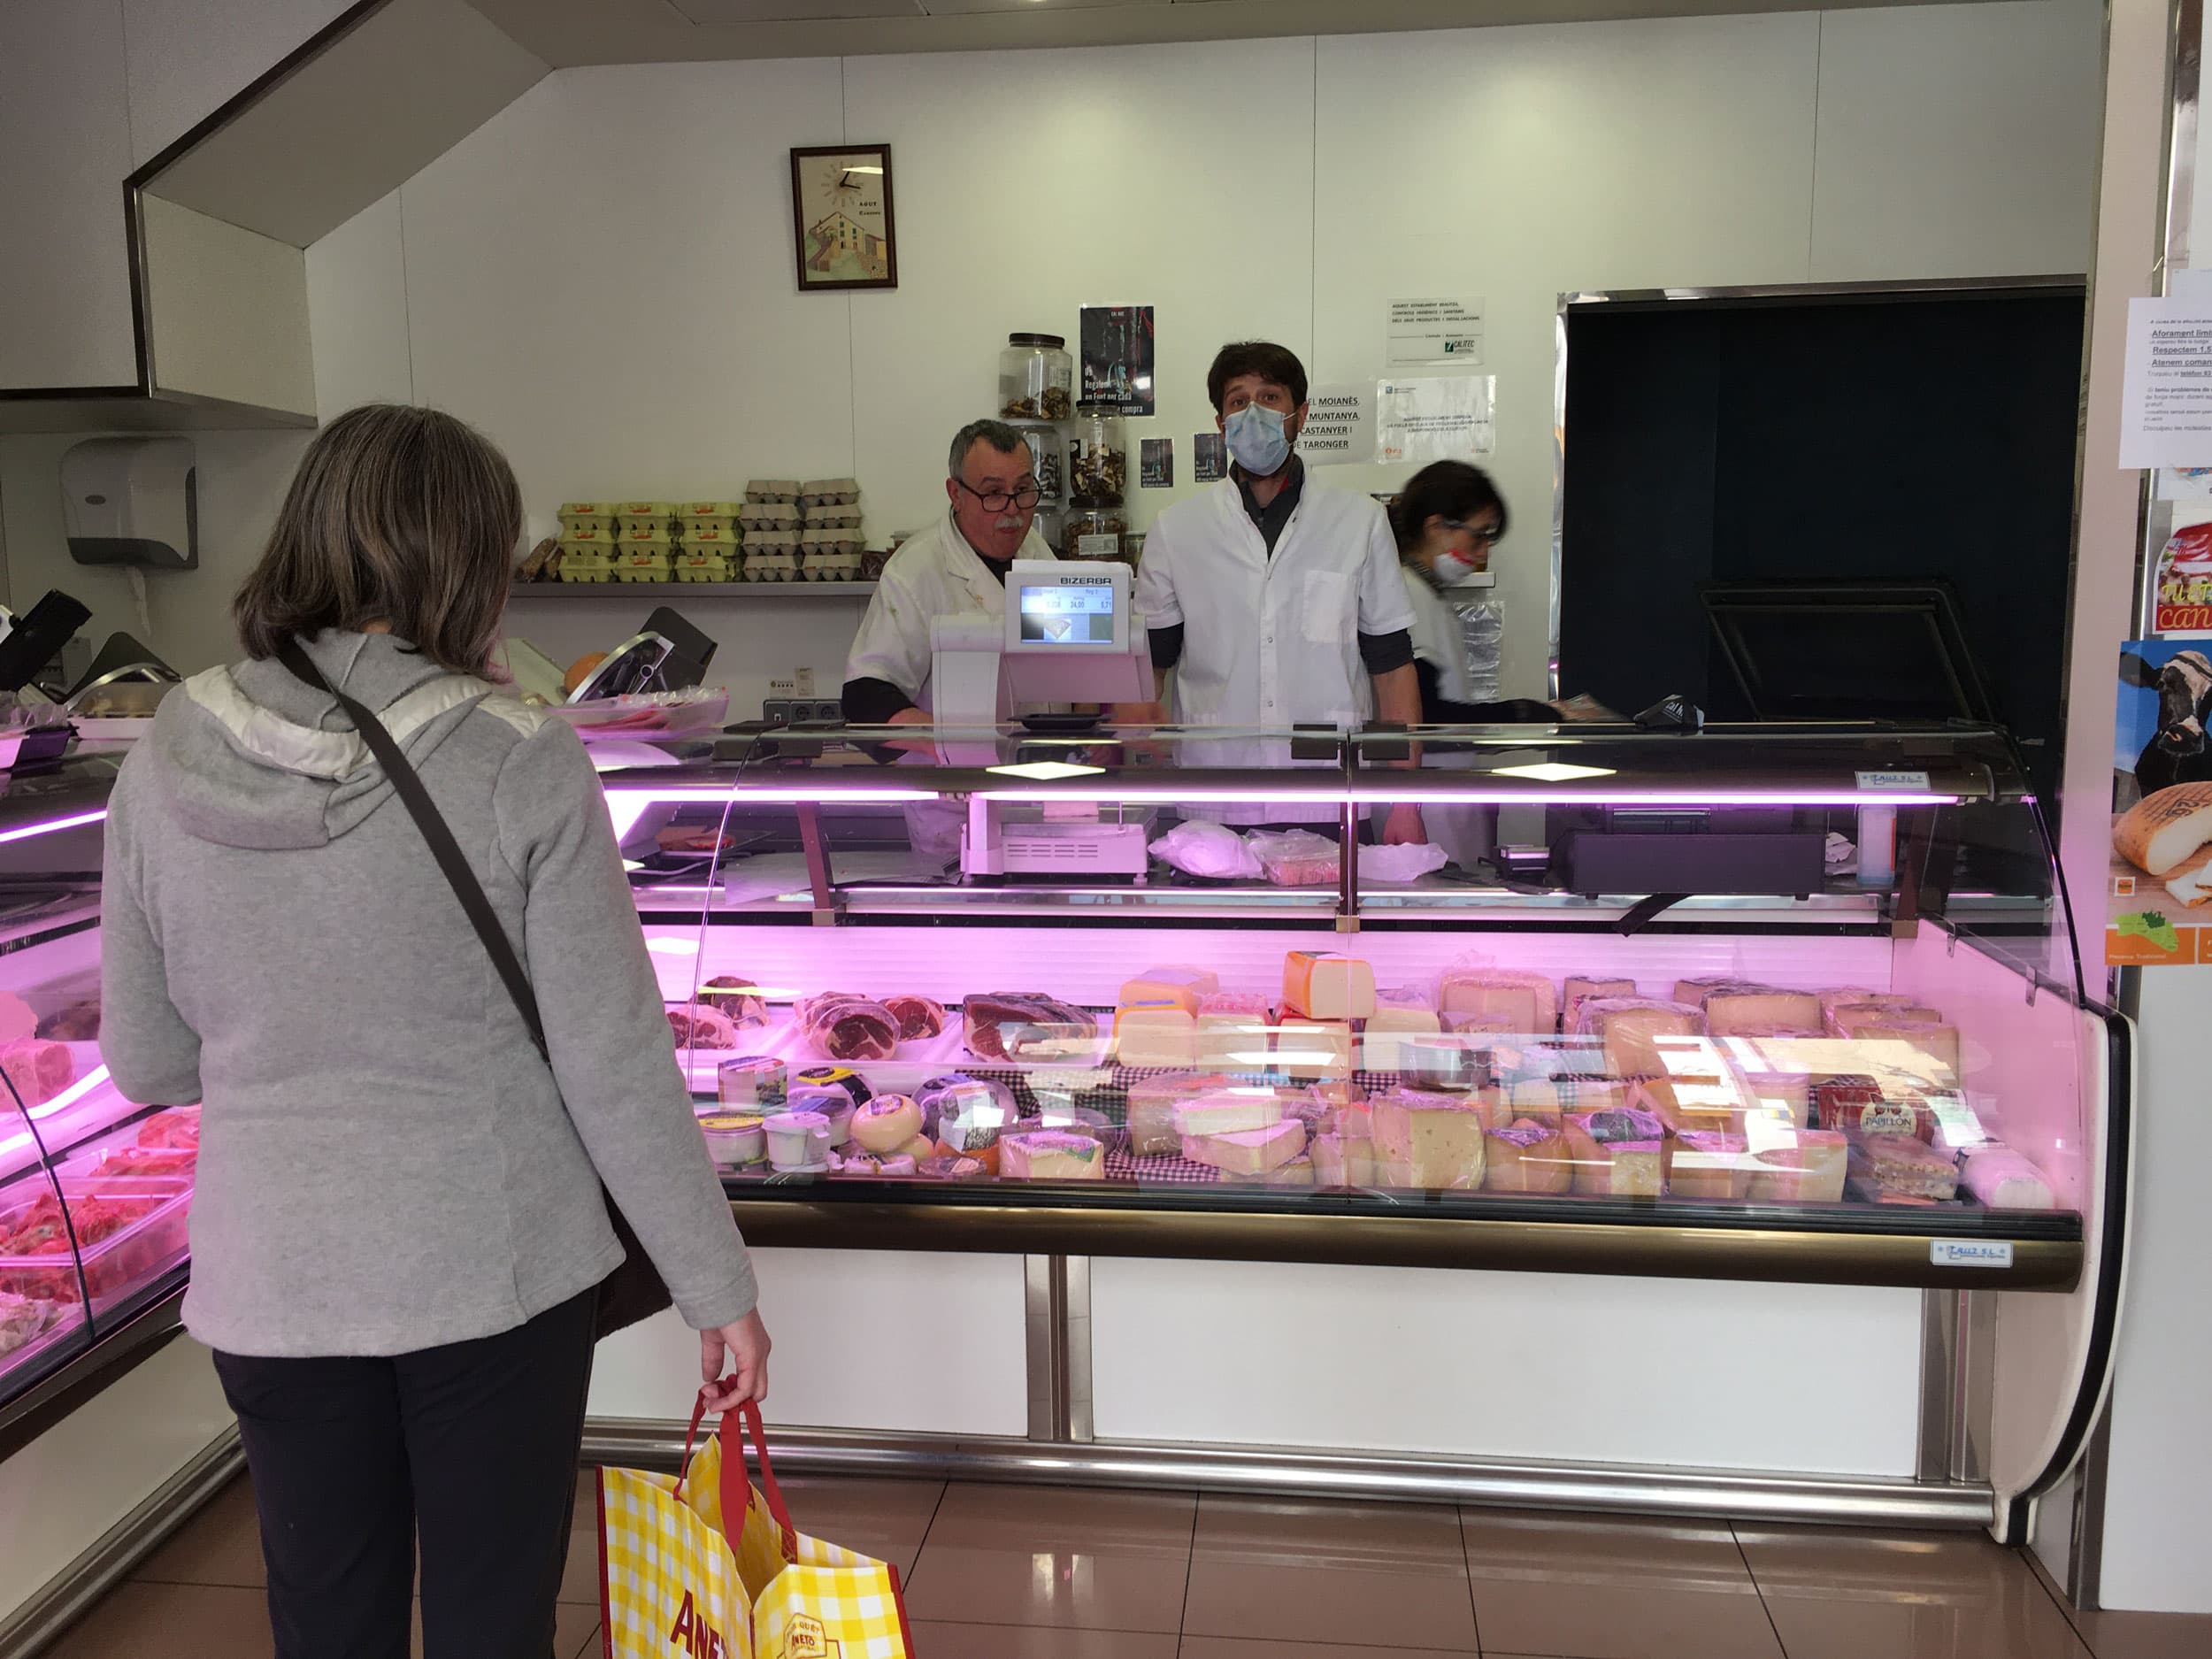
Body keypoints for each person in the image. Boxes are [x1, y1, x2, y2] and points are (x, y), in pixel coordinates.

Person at [99, 404, 769, 1659]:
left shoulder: (162, 752)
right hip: (490, 1272)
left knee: (326, 1614)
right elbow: (612, 1062)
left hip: (272, 1274)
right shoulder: (518, 754)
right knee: (489, 1615)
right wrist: (716, 1288)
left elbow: (147, 1060)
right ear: (466, 563)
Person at [1126, 341, 1424, 840]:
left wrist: (1406, 803)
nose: (1253, 413)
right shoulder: (1177, 529)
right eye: (1238, 401)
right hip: (1215, 799)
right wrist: (1134, 717)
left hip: (1331, 796)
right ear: (1221, 423)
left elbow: (1391, 669)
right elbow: (1149, 668)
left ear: (1299, 415)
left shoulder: (1359, 521)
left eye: (1269, 397)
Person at [843, 419, 1056, 726]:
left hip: (1043, 752)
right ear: (956, 494)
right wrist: (950, 742)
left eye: (1022, 490)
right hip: (958, 757)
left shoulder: (1037, 550)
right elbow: (866, 696)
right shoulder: (913, 572)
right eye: (994, 493)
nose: (1013, 510)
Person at [1389, 460, 1597, 723]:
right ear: (1436, 528)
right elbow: (1426, 714)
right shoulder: (1409, 595)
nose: (1483, 551)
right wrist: (1523, 712)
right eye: (1478, 535)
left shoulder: (1427, 594)